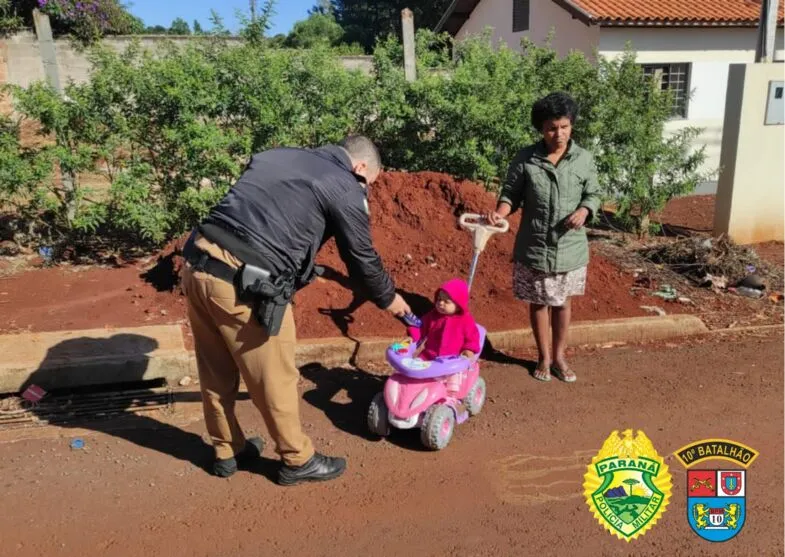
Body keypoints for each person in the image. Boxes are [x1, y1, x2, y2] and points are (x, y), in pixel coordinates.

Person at [181, 135, 411, 485]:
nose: (363, 188)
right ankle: (297, 459)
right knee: (275, 377)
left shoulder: (279, 155)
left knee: (215, 369)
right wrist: (391, 300)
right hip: (243, 285)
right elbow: (361, 258)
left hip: (197, 265)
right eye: (366, 182)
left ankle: (228, 450)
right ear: (360, 167)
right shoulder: (344, 184)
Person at [486, 92, 601, 383]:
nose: (558, 133)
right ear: (541, 128)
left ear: (571, 125)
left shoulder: (584, 159)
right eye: (551, 127)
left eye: (564, 126)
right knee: (539, 302)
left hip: (569, 247)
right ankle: (543, 356)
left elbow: (594, 194)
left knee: (562, 303)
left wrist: (586, 210)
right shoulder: (526, 159)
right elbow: (510, 194)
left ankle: (560, 356)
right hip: (535, 245)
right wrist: (500, 213)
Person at [405, 278, 481, 396]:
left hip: (452, 361)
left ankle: (451, 399)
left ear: (458, 304)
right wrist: (413, 337)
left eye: (446, 301)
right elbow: (420, 326)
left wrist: (468, 350)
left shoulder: (465, 321)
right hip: (429, 356)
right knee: (414, 371)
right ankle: (413, 392)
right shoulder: (432, 316)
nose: (440, 303)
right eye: (439, 299)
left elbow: (473, 338)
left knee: (453, 380)